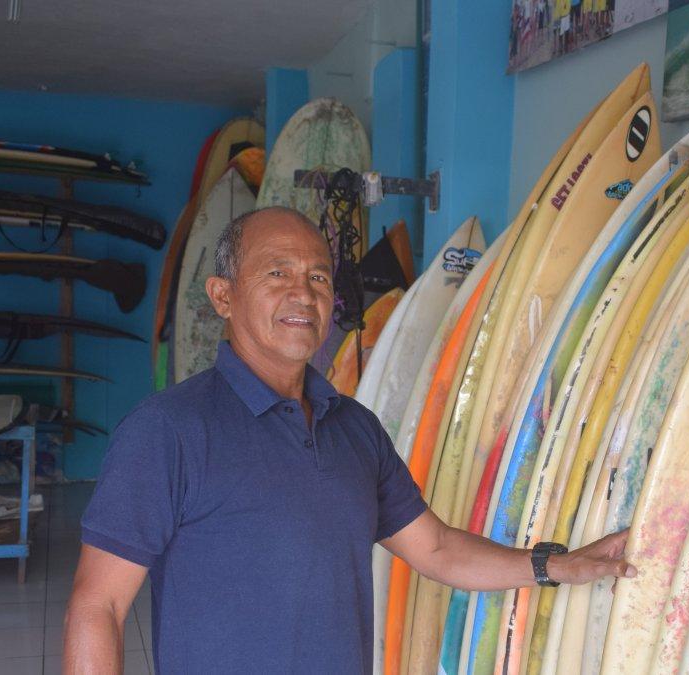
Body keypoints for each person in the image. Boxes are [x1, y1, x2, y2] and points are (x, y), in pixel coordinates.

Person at [63, 206, 635, 674]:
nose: (303, 293)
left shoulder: (354, 428)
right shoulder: (169, 430)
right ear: (222, 296)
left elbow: (435, 549)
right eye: (276, 273)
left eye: (318, 277)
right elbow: (99, 606)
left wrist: (555, 566)